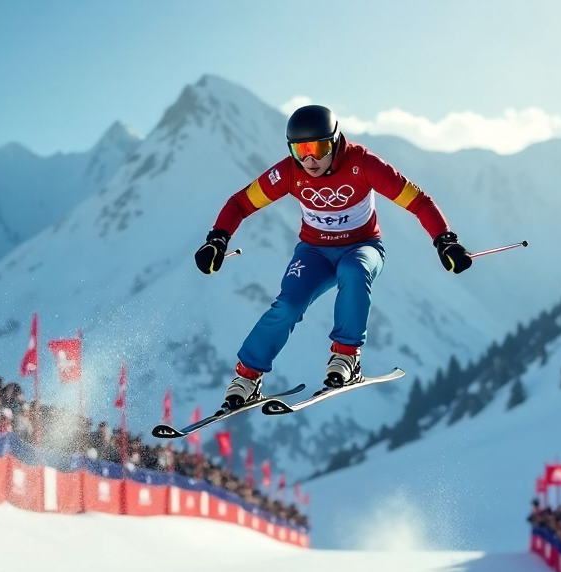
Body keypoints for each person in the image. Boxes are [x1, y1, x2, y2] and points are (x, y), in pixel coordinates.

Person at [195, 104, 472, 408]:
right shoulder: (289, 171)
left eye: (318, 148)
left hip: (363, 247)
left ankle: (346, 357)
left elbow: (418, 201)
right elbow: (240, 204)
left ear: (336, 141)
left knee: (354, 272)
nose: (310, 160)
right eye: (300, 151)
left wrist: (445, 241)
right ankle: (248, 376)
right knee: (288, 304)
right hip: (314, 253)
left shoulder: (363, 163)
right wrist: (217, 240)